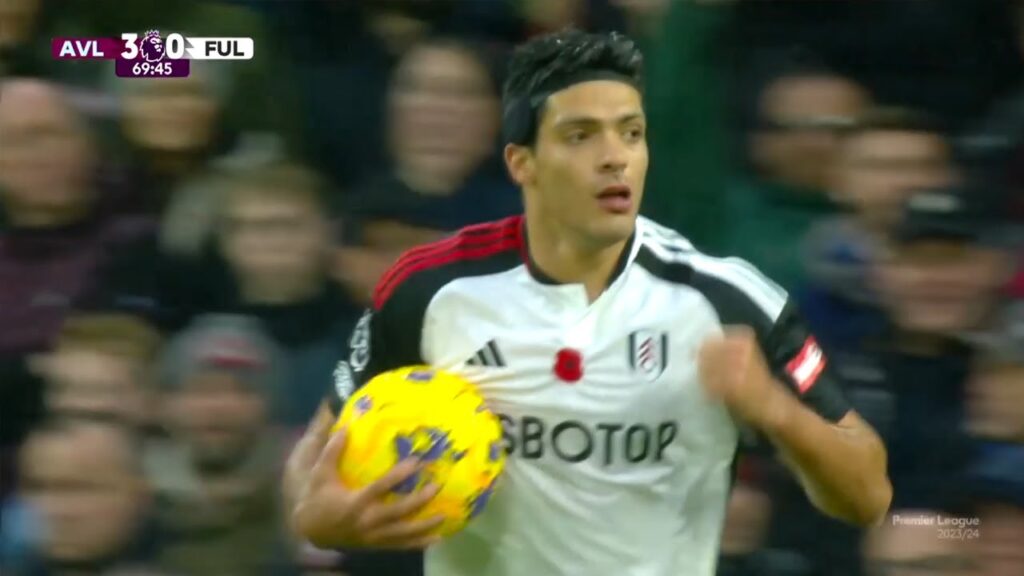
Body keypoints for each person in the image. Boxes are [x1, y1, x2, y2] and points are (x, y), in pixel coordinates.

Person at [284, 29, 892, 576]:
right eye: (581, 135)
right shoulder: (432, 291)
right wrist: (320, 523)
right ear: (523, 163)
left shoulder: (726, 300)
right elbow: (316, 461)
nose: (614, 157)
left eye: (631, 133)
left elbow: (869, 496)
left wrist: (773, 410)